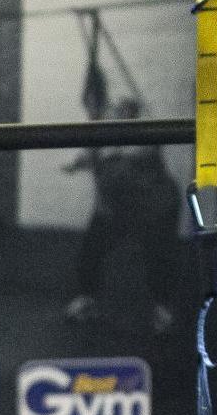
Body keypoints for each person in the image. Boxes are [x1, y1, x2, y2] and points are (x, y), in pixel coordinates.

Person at [60, 98, 184, 334]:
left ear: (131, 117)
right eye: (112, 112)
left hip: (155, 209)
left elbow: (137, 149)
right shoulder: (100, 143)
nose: (113, 116)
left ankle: (163, 311)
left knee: (158, 258)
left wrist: (105, 147)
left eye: (120, 113)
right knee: (91, 249)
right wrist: (77, 162)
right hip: (116, 210)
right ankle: (86, 300)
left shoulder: (142, 140)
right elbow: (85, 161)